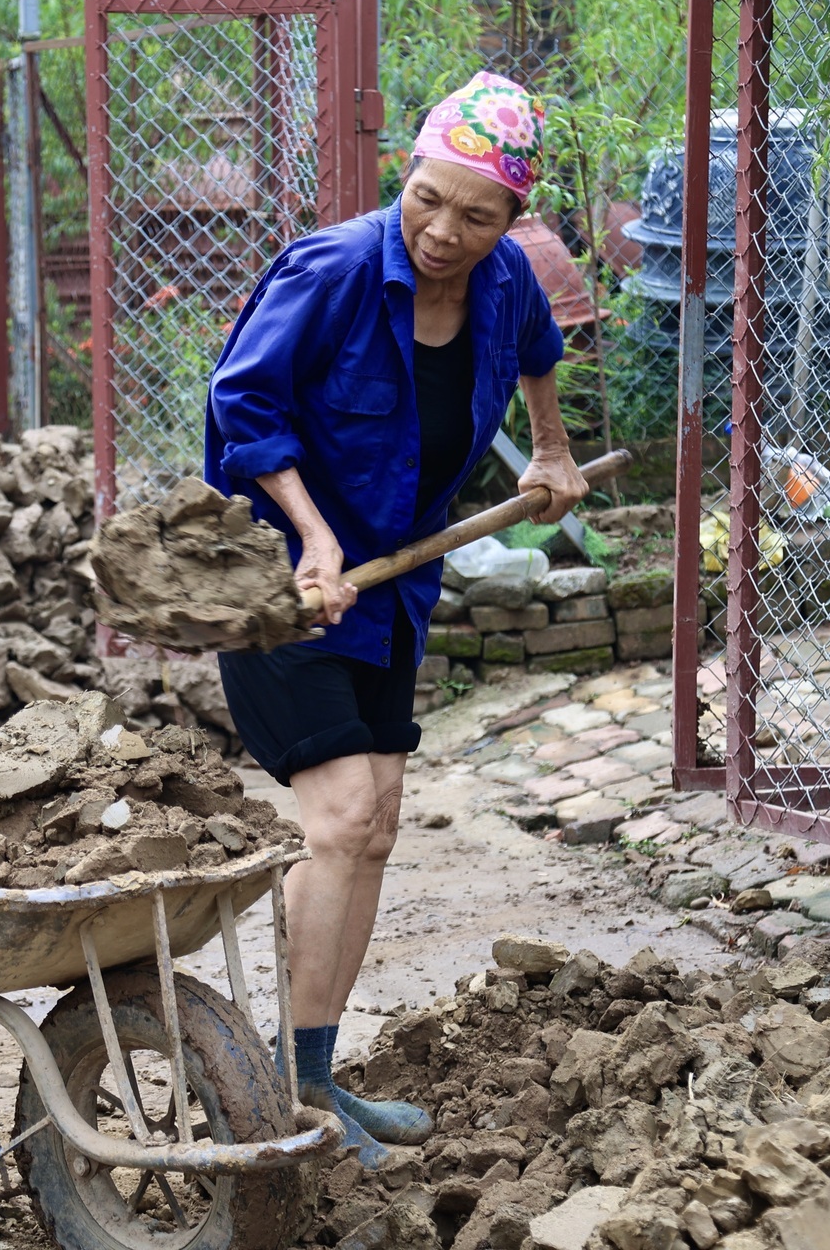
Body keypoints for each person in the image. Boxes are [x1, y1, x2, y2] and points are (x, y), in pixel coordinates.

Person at [204, 72, 587, 1165]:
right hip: (285, 582)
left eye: (477, 214)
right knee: (338, 816)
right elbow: (245, 403)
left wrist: (552, 448)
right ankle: (284, 1090)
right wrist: (312, 538)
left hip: (392, 589)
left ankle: (315, 1072)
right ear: (404, 176)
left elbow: (537, 353)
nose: (442, 230)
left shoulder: (506, 279)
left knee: (374, 827)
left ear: (514, 217)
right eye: (428, 198)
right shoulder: (330, 269)